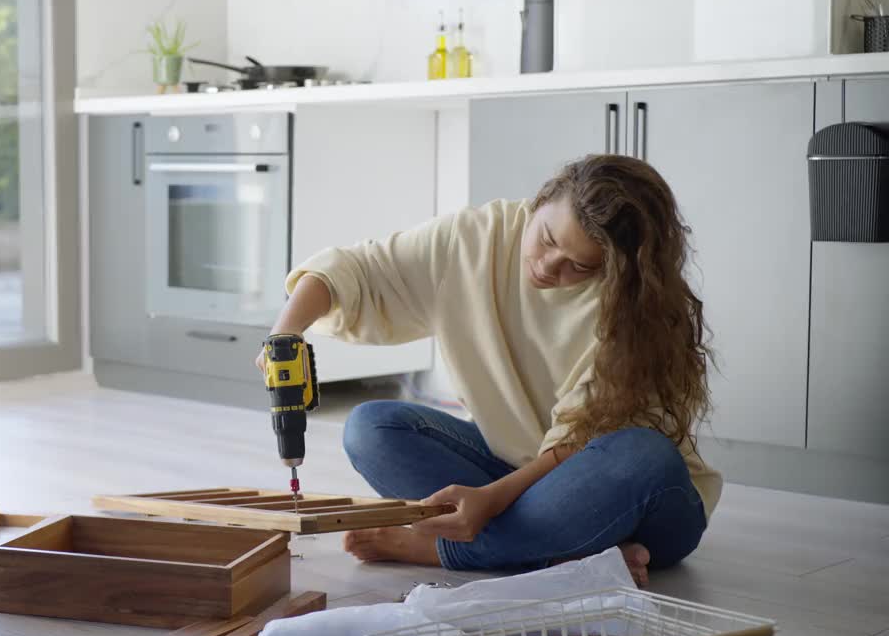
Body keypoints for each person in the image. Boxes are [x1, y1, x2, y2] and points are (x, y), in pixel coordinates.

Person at [256, 154, 721, 587]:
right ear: (540, 203)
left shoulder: (639, 305)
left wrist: (493, 499)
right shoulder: (477, 238)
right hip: (520, 472)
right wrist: (286, 334)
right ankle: (573, 552)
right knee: (371, 427)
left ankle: (447, 550)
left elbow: (586, 440)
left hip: (641, 501)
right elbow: (355, 271)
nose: (545, 266)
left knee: (641, 453)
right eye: (546, 238)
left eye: (577, 266)